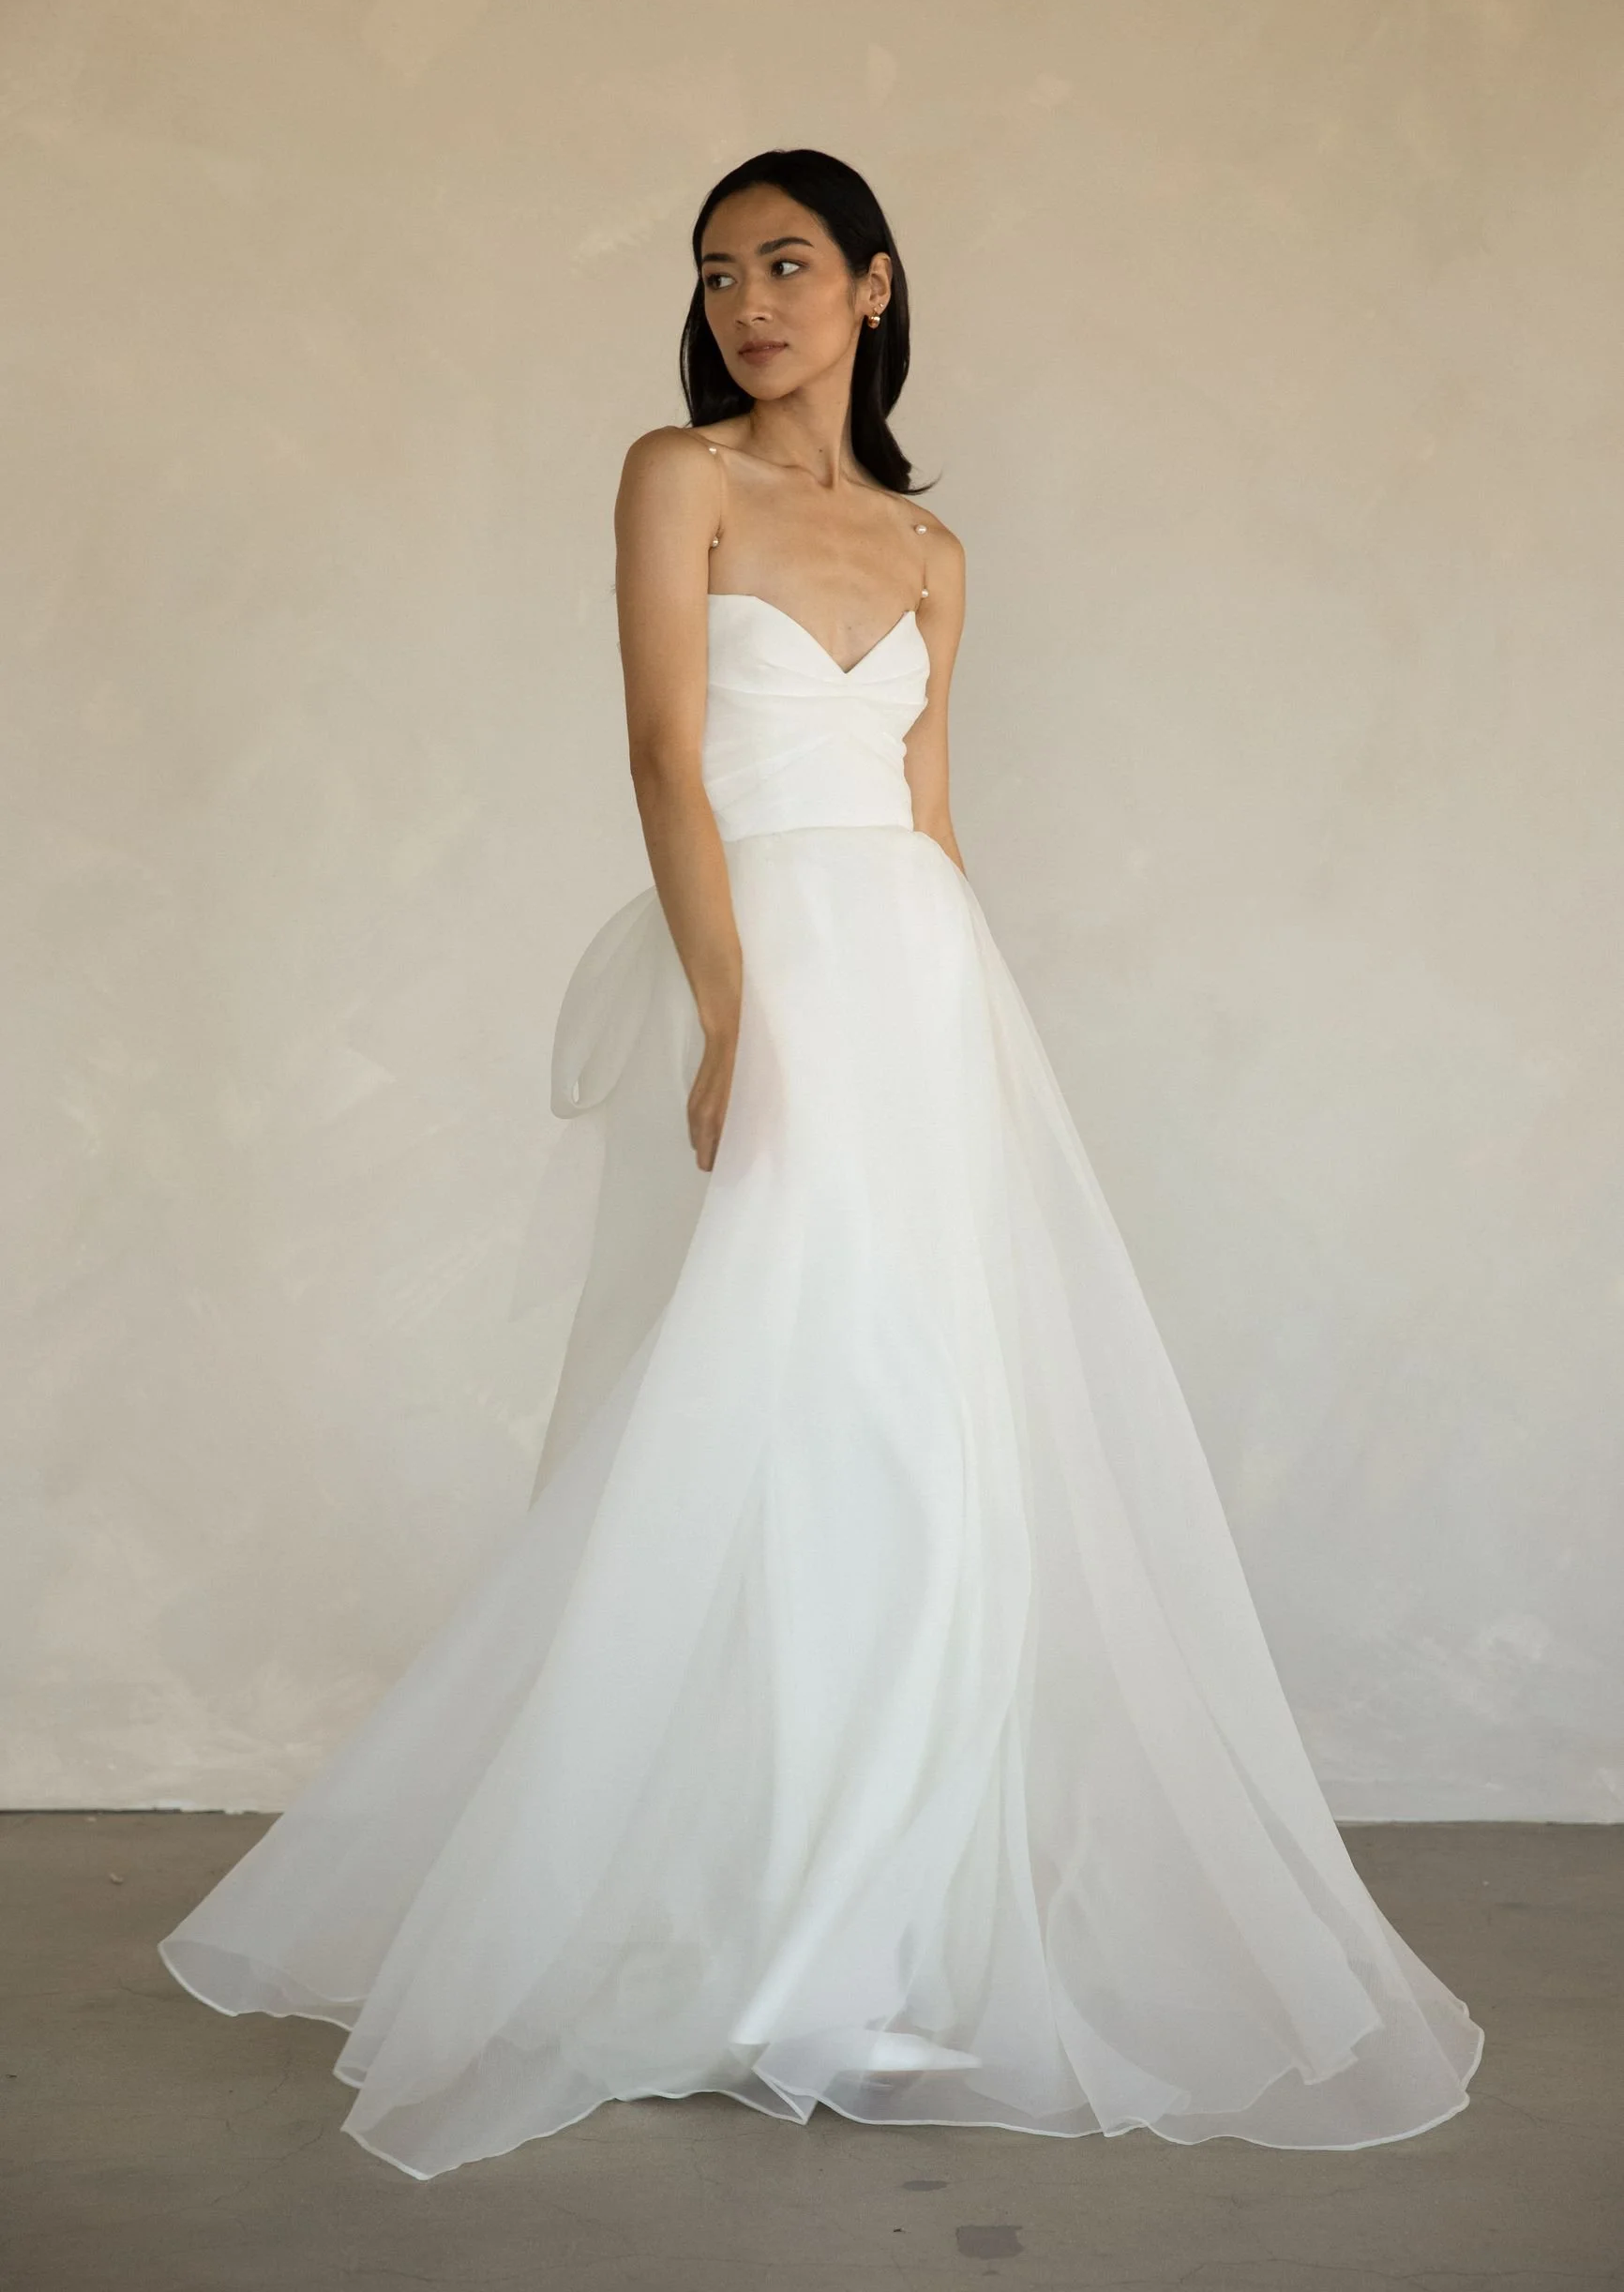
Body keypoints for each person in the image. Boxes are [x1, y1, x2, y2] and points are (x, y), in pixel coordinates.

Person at [158, 147, 1484, 2181]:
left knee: (932, 1438)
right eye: (714, 271)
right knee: (764, 1419)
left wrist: (974, 1052)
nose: (745, 299)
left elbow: (928, 815)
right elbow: (660, 753)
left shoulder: (935, 550)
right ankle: (743, 1920)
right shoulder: (672, 474)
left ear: (871, 286)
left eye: (784, 263)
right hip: (759, 967)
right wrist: (727, 1008)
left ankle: (869, 1927)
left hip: (915, 988)